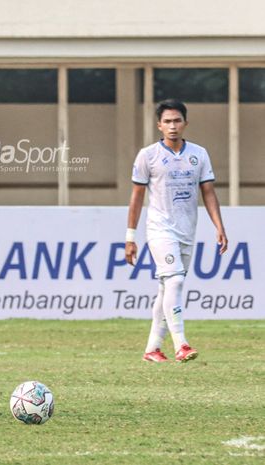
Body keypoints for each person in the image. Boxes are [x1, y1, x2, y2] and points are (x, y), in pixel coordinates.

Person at [125, 99, 228, 363]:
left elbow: (208, 192)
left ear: (185, 123)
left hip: (186, 231)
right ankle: (181, 344)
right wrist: (130, 237)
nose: (172, 126)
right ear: (159, 125)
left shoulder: (199, 154)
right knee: (175, 281)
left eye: (177, 120)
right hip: (159, 229)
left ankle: (152, 349)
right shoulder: (148, 156)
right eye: (167, 121)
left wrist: (219, 225)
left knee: (165, 287)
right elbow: (136, 198)